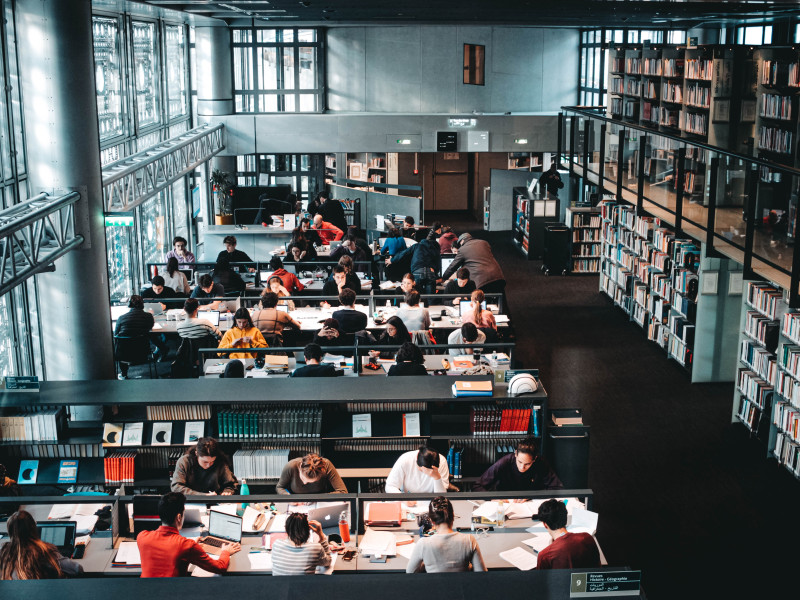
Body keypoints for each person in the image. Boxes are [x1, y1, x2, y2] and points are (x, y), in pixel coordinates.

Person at [137, 492, 240, 577]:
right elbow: (220, 567)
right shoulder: (186, 546)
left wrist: (190, 546)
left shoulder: (142, 537)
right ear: (178, 517)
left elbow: (164, 550)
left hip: (147, 593)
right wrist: (225, 552)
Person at [405, 497, 485, 573]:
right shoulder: (469, 540)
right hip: (461, 586)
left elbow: (411, 571)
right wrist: (467, 566)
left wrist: (427, 564)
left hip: (434, 586)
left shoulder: (423, 544)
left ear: (432, 521)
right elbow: (481, 572)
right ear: (453, 516)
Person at [0, 510, 83, 579]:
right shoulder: (44, 551)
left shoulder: (3, 552)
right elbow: (77, 569)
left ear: (10, 532)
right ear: (34, 528)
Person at [473, 438, 563, 493]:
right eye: (519, 462)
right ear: (515, 454)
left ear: (534, 459)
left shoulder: (541, 463)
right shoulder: (504, 462)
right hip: (505, 502)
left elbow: (557, 488)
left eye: (527, 464)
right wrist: (493, 498)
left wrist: (531, 496)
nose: (522, 467)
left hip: (530, 503)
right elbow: (477, 486)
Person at [535, 499, 601, 570]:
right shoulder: (587, 537)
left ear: (545, 524)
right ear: (565, 519)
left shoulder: (544, 556)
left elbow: (540, 580)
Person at [171, 437, 238, 495]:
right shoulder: (184, 461)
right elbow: (176, 487)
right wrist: (202, 495)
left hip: (215, 501)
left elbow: (231, 484)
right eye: (205, 462)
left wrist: (227, 492)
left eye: (212, 462)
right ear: (196, 453)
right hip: (191, 500)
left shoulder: (220, 461)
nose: (208, 465)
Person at [114, 294, 156, 379]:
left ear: (129, 305)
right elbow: (150, 327)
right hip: (143, 352)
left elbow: (116, 334)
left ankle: (124, 374)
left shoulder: (121, 318)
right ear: (142, 304)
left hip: (123, 354)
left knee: (122, 345)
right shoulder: (148, 316)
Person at [387, 229, 441, 295]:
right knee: (430, 298)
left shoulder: (417, 246)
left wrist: (392, 260)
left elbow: (403, 254)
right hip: (430, 272)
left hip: (417, 271)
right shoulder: (434, 248)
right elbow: (438, 262)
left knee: (416, 296)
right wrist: (435, 273)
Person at [276, 453, 347, 494]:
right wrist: (290, 499)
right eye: (303, 478)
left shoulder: (326, 465)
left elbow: (343, 492)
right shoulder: (291, 466)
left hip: (320, 504)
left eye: (311, 482)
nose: (304, 483)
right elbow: (279, 487)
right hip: (297, 504)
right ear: (300, 466)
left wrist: (319, 498)